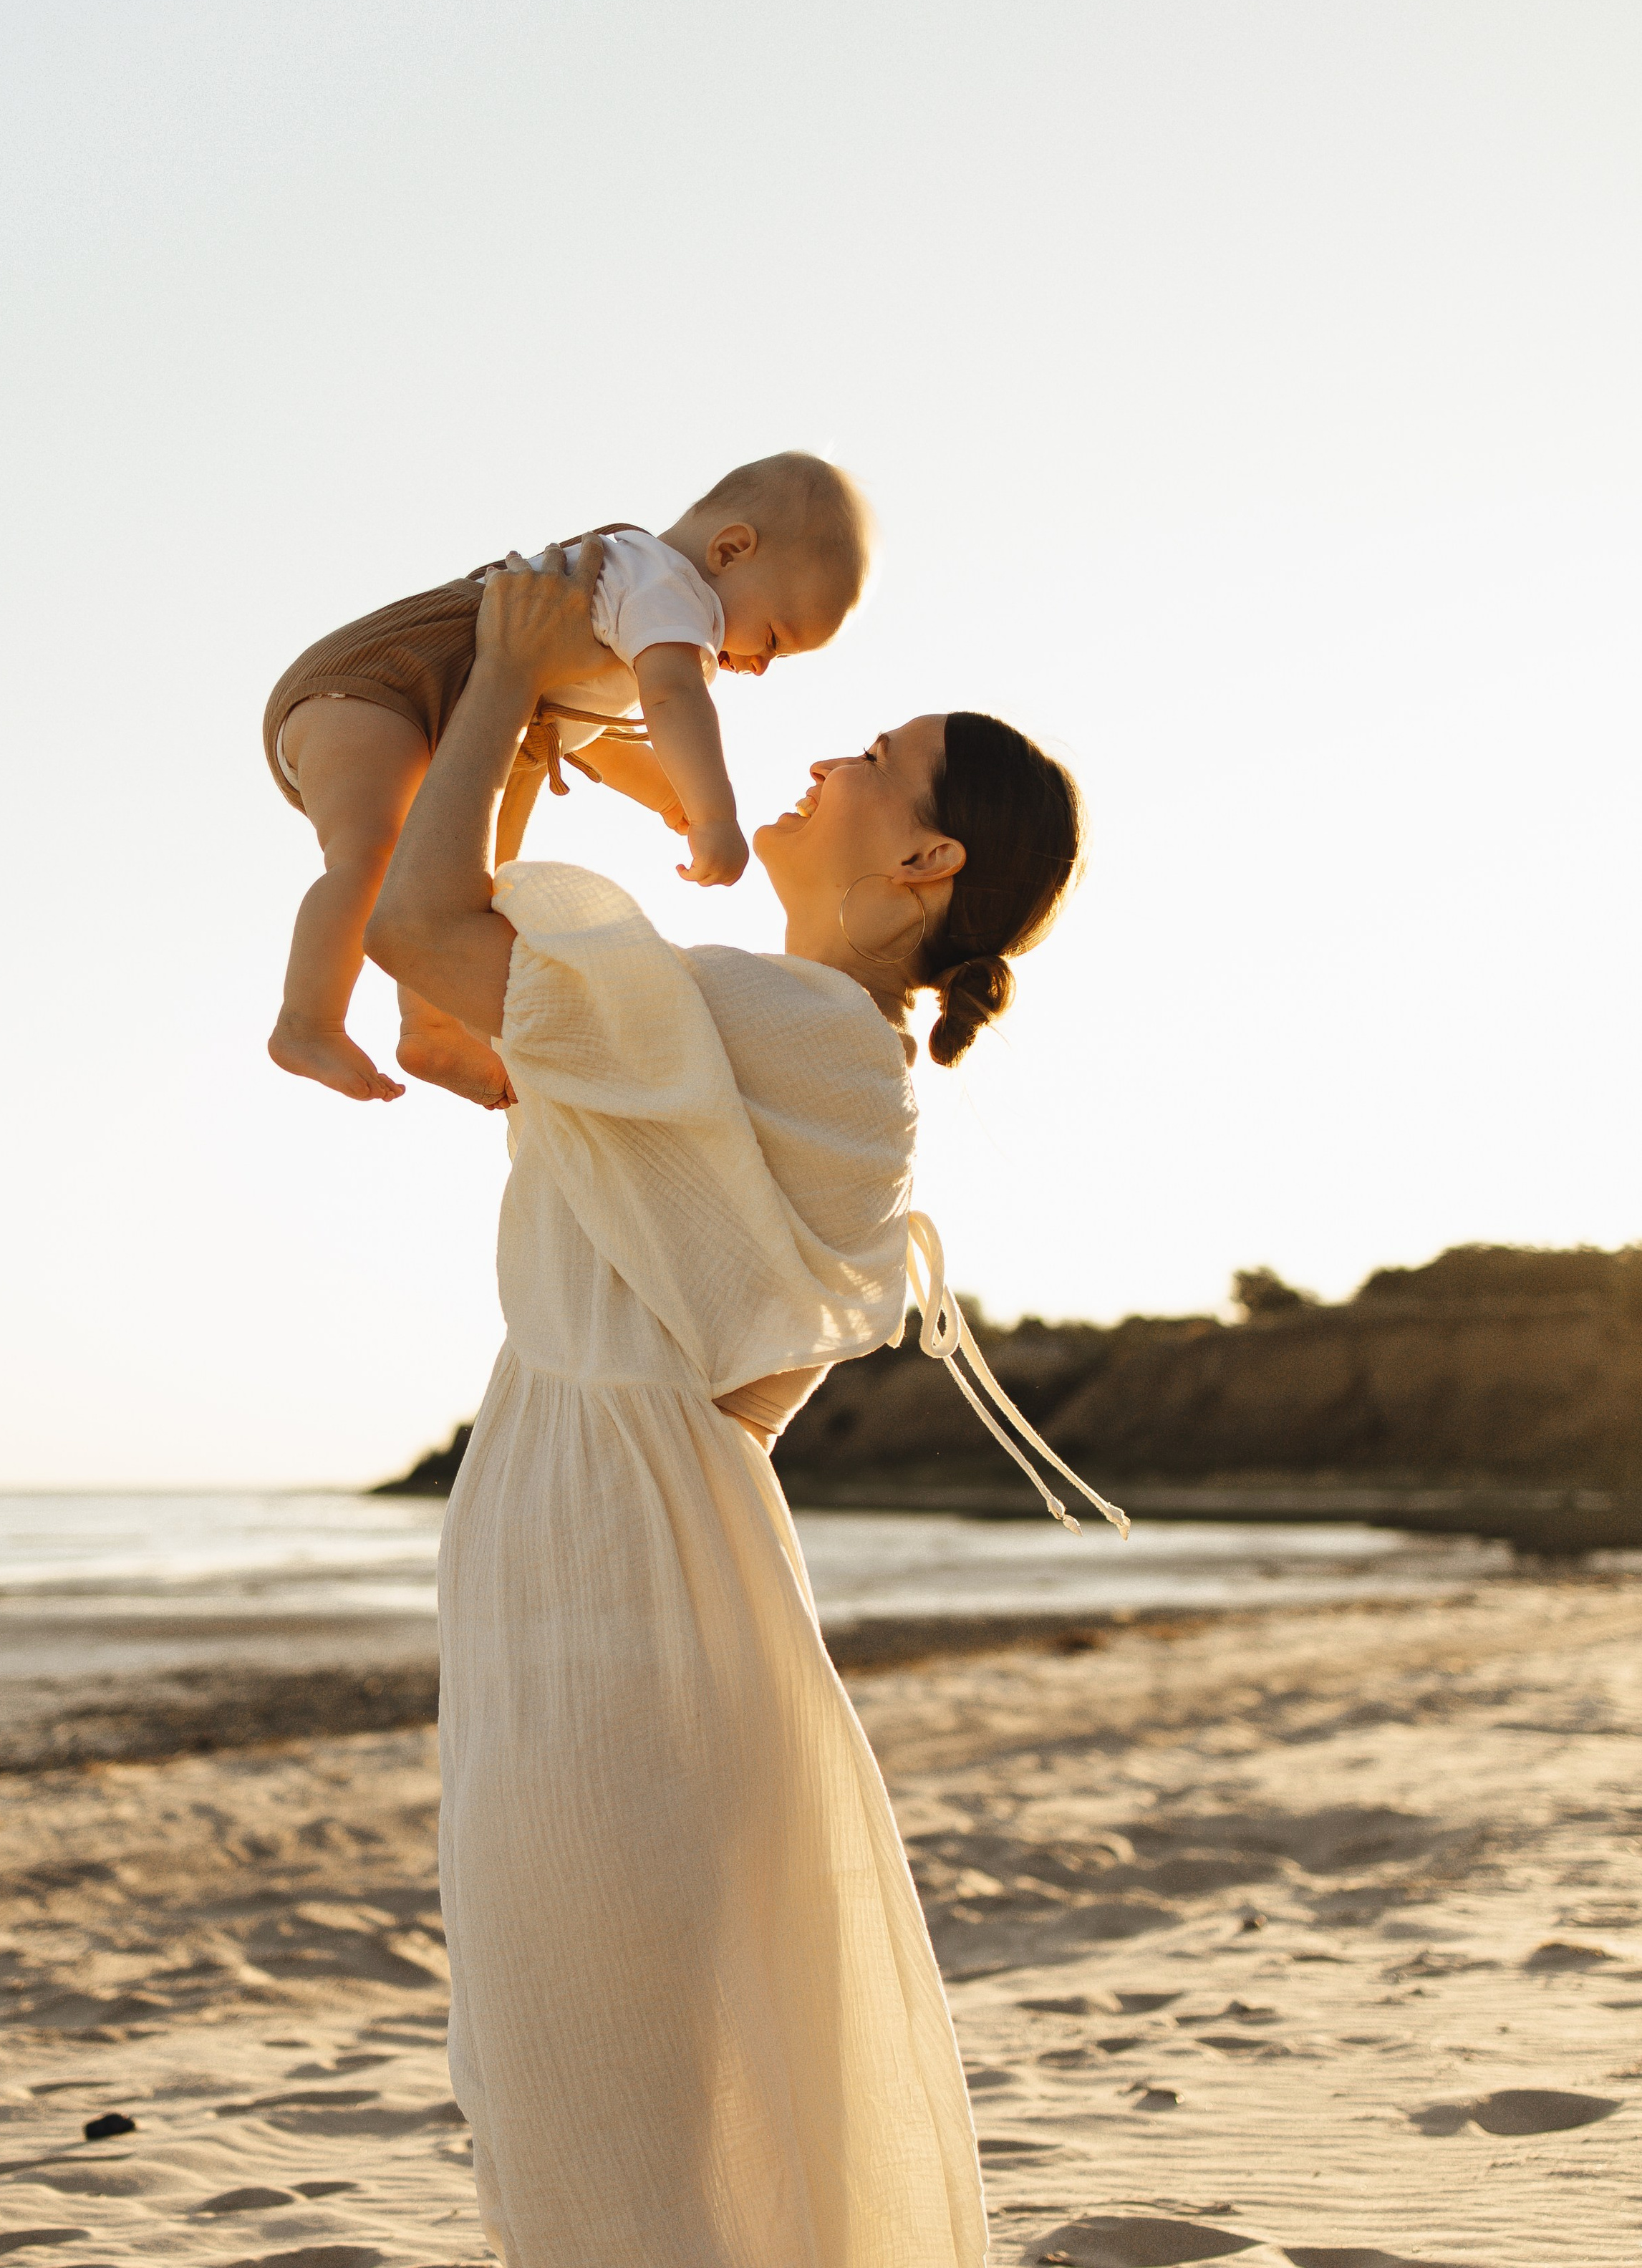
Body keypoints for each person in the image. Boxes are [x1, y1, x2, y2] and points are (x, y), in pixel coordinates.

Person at [363, 537, 1084, 2268]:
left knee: (608, 2081)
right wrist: (518, 752)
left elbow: (414, 935)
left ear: (921, 858)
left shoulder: (792, 1027)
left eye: (872, 759)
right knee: (600, 2070)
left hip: (623, 1558)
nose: (819, 758)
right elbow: (444, 1023)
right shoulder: (772, 1035)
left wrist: (496, 682)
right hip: (607, 1542)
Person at [261, 450, 871, 1109]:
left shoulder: (628, 601)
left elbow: (592, 733)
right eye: (776, 639)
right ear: (730, 550)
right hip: (381, 688)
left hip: (403, 706)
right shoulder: (666, 584)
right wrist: (714, 813)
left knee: (455, 886)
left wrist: (667, 797)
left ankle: (432, 1029)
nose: (759, 667)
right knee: (369, 857)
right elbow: (674, 701)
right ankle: (308, 1022)